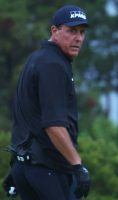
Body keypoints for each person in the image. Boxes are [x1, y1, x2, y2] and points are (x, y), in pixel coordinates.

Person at [2, 5, 91, 200]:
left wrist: (16, 165)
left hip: (26, 167)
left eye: (82, 32)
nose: (78, 38)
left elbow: (26, 118)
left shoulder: (36, 59)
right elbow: (54, 125)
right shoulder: (53, 65)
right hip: (48, 170)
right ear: (54, 31)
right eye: (72, 31)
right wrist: (78, 166)